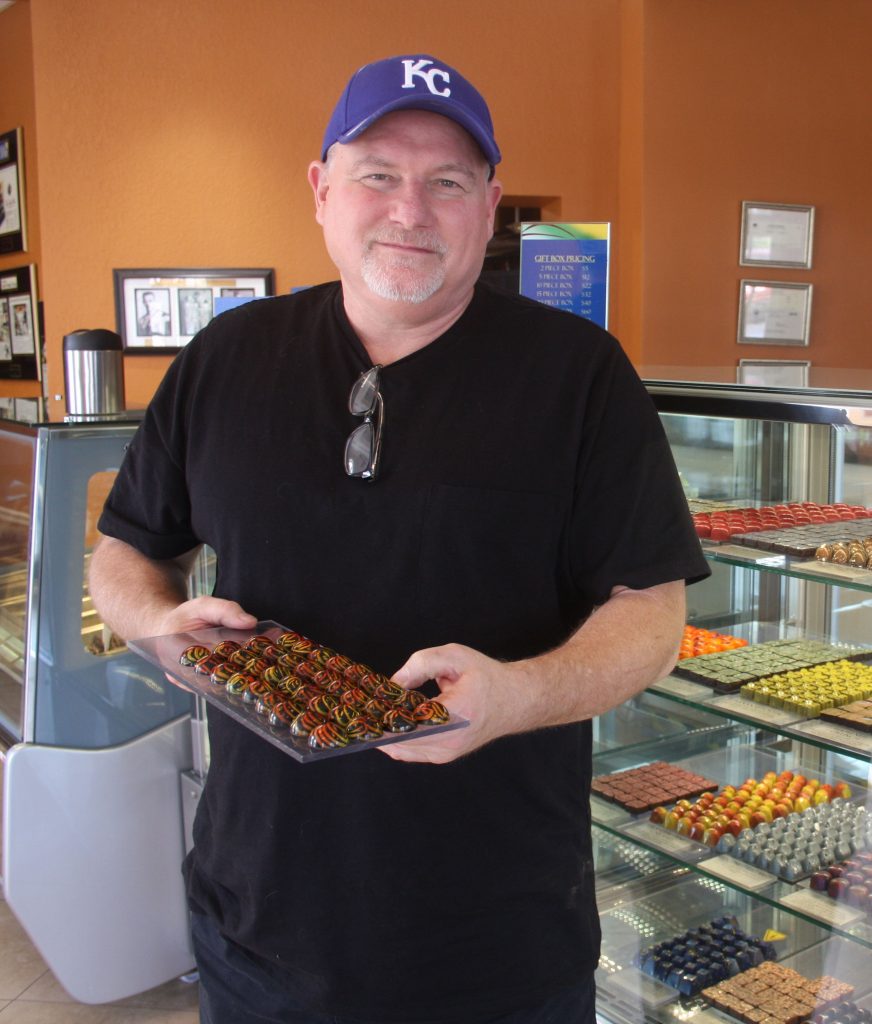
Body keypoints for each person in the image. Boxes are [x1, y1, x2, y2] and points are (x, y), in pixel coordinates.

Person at [89, 53, 710, 1024]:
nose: (409, 211)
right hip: (256, 923)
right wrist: (157, 623)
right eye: (377, 173)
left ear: (490, 204)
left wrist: (516, 695)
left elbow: (650, 612)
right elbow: (125, 553)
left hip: (499, 945)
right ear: (320, 189)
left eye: (447, 182)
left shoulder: (578, 378)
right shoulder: (224, 359)